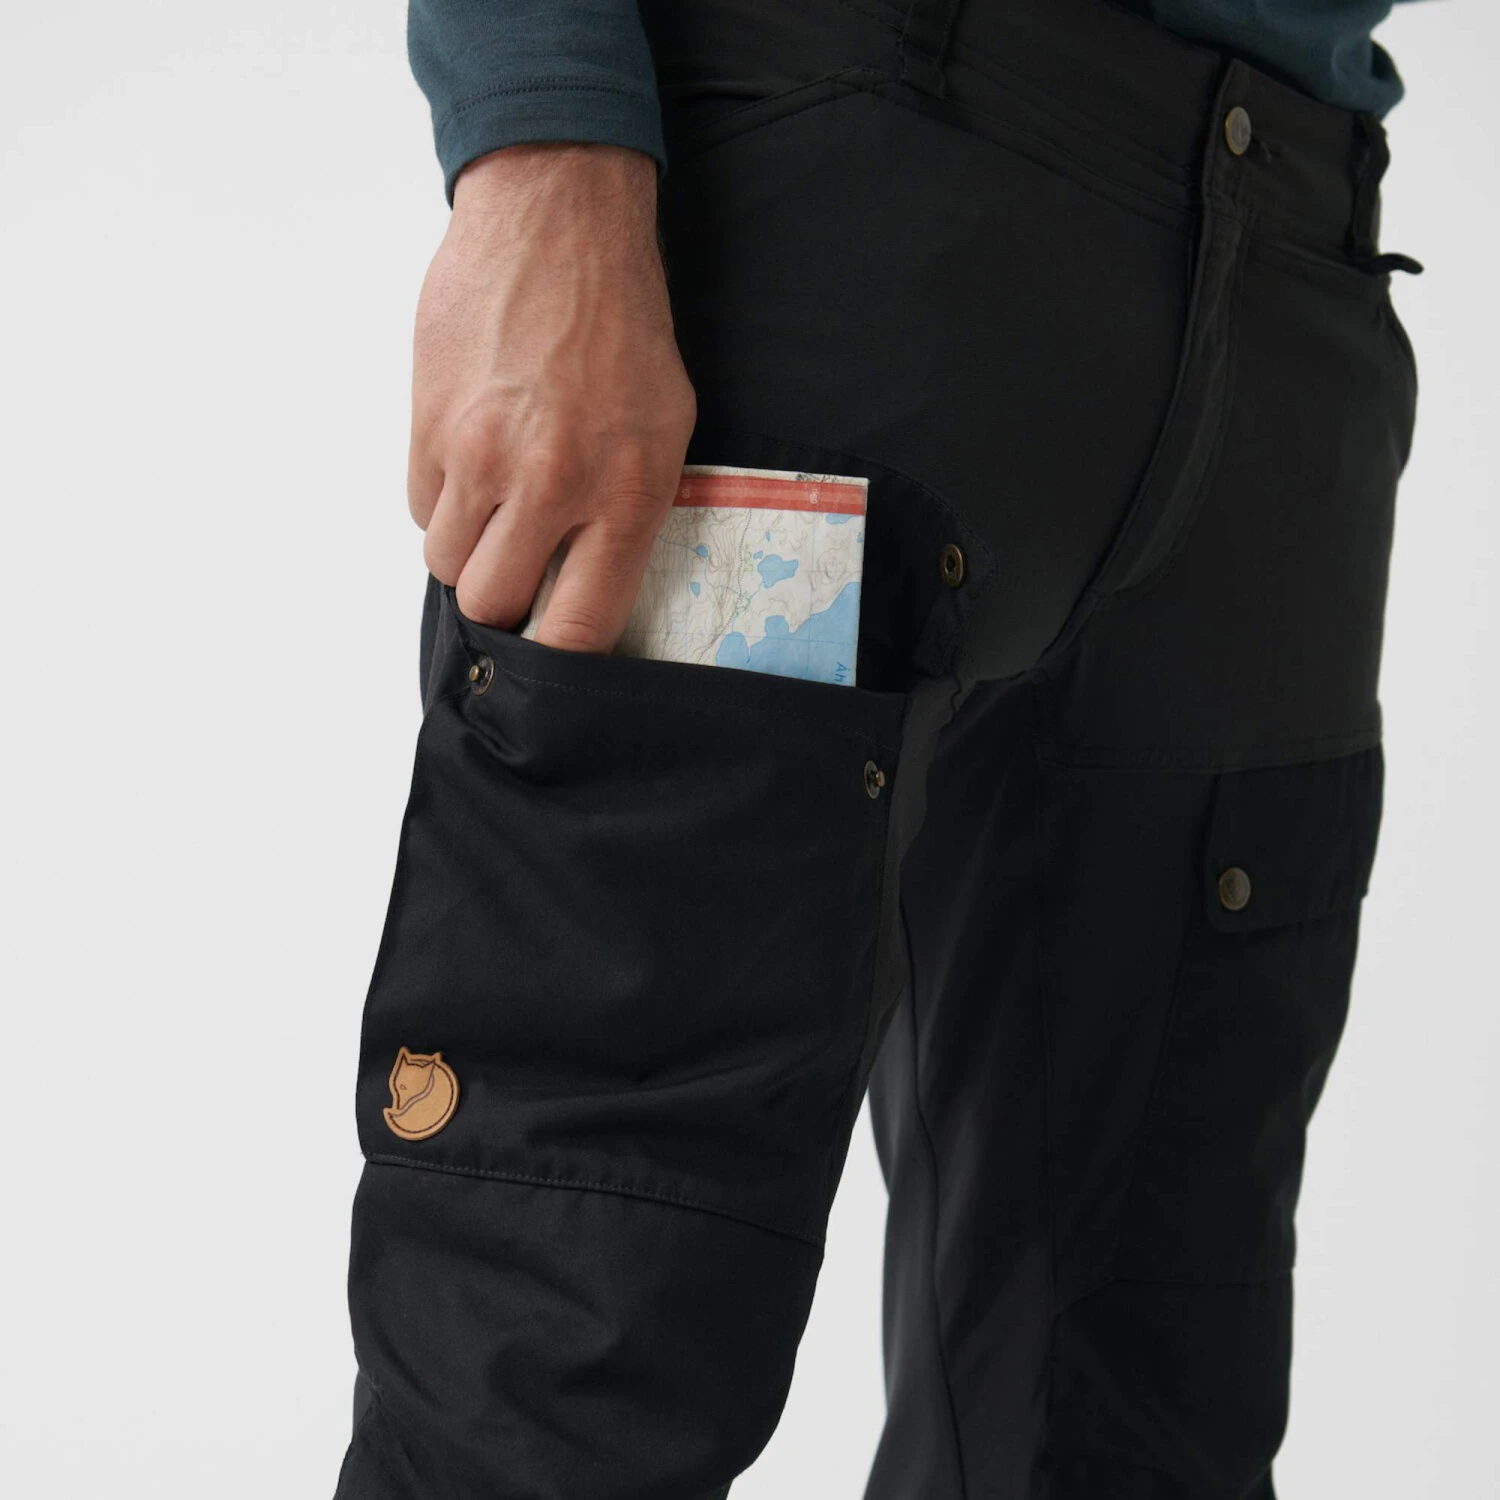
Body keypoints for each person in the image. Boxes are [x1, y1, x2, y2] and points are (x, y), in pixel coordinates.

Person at [335, 2, 1423, 1495]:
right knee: (555, 1381)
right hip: (826, 191)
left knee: (1135, 1427)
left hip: (1291, 283)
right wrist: (537, 132)